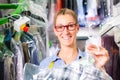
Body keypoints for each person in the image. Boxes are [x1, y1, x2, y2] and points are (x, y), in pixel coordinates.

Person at [40, 8, 109, 70]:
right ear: (55, 30)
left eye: (70, 26)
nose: (66, 32)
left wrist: (100, 67)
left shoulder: (91, 62)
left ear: (77, 28)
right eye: (60, 27)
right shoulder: (45, 65)